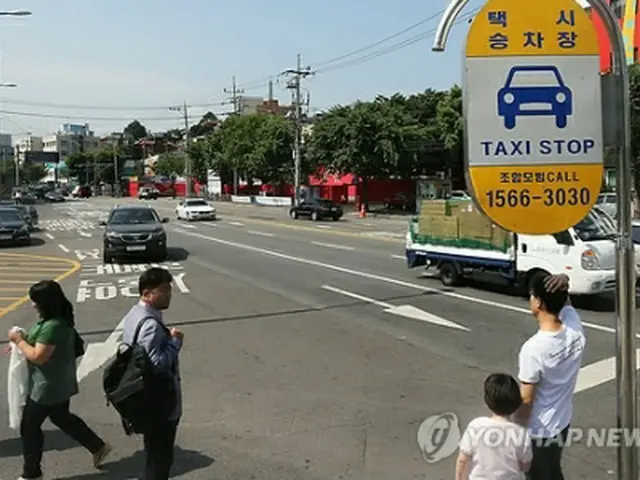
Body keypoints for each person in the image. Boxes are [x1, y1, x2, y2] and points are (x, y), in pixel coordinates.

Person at [6, 280, 111, 480]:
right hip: (59, 384)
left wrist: (19, 340)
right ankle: (97, 446)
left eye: (35, 301)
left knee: (29, 427)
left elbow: (38, 356)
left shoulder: (52, 326)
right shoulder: (54, 320)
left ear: (45, 302)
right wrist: (19, 346)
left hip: (46, 389)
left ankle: (31, 474)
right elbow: (40, 346)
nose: (32, 304)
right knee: (62, 418)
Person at [515, 273, 585, 480]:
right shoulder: (575, 330)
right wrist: (564, 280)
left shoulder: (533, 349)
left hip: (538, 431)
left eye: (531, 296)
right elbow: (568, 307)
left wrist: (514, 432)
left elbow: (527, 399)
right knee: (554, 470)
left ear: (538, 303)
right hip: (562, 423)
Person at [121, 267, 184, 479]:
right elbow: (156, 363)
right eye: (164, 290)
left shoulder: (135, 313)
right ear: (147, 294)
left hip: (143, 397)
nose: (169, 294)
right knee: (160, 459)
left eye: (169, 289)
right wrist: (175, 342)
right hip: (158, 400)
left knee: (154, 453)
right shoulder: (150, 325)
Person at [455, 373, 532, 479]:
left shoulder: (476, 426)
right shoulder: (521, 434)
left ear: (488, 400)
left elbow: (463, 460)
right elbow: (525, 466)